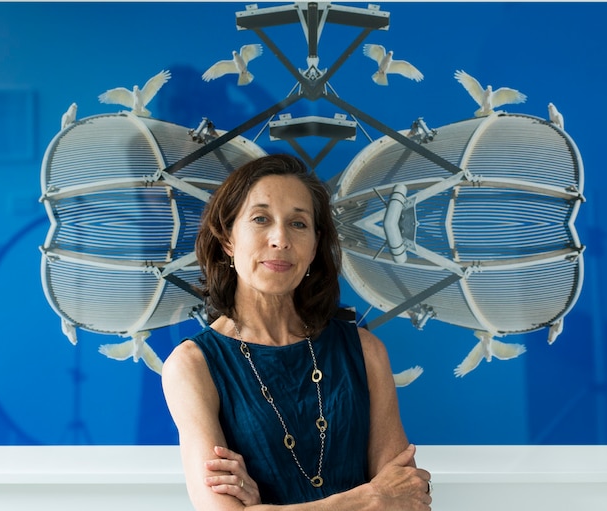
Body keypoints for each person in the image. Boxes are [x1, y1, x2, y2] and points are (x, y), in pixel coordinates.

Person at [162, 153, 432, 510]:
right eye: (260, 219)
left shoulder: (365, 350)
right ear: (228, 239)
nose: (280, 239)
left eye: (298, 224)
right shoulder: (192, 366)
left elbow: (409, 499)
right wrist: (371, 498)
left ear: (315, 245)